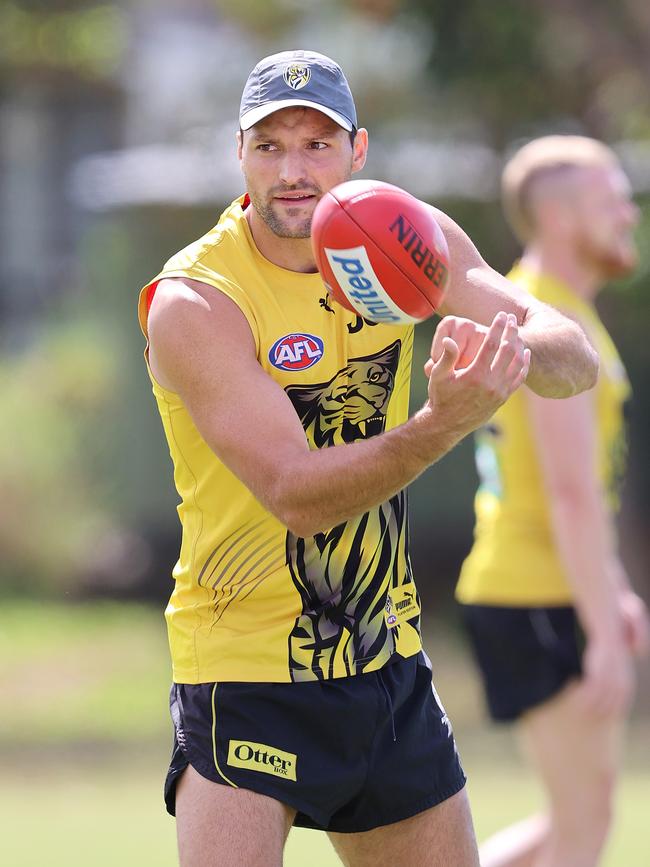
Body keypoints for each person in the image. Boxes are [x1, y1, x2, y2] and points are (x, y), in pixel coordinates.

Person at [138, 51, 598, 867]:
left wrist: (513, 349)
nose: (292, 170)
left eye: (316, 144)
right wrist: (444, 420)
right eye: (269, 145)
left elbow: (571, 355)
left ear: (358, 150)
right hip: (245, 670)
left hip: (382, 657)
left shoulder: (400, 236)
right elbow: (297, 496)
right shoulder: (197, 300)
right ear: (237, 155)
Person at [456, 135, 650, 867]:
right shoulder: (542, 317)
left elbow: (582, 485)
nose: (629, 213)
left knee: (579, 818)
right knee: (583, 826)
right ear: (563, 217)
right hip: (535, 592)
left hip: (547, 586)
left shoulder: (552, 306)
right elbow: (569, 493)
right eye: (612, 199)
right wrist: (602, 630)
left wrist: (615, 590)